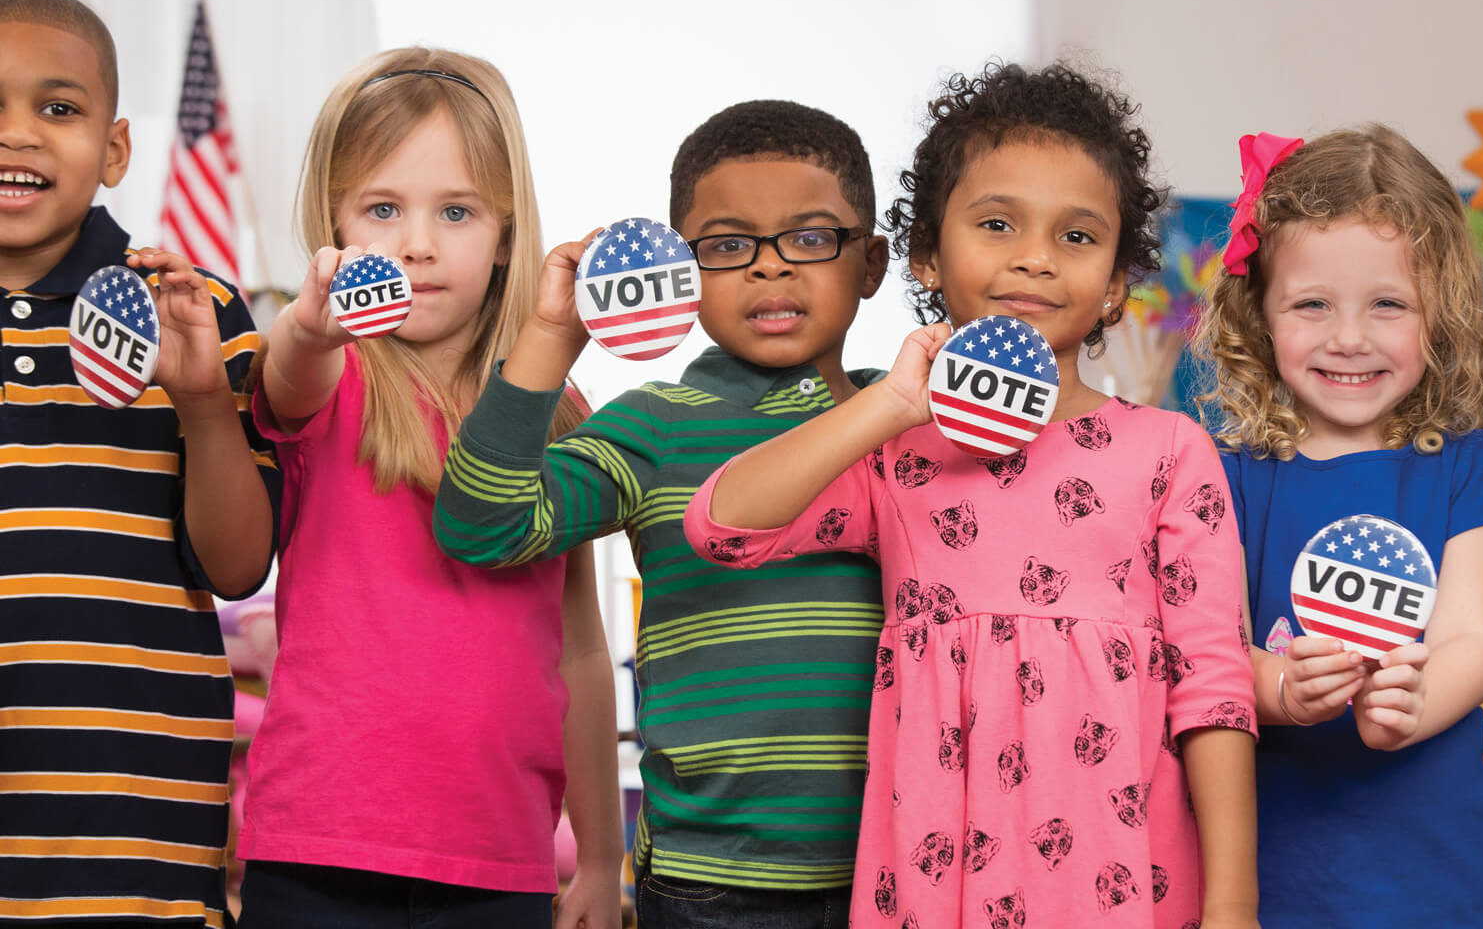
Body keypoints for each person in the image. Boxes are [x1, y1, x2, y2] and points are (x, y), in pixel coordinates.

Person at [684, 62, 1259, 928]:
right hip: (936, 873)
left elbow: (1214, 688)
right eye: (997, 224)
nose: (1033, 255)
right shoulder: (897, 452)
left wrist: (1235, 903)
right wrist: (888, 405)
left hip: (1124, 876)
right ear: (926, 254)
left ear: (1113, 283)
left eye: (1076, 237)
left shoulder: (1169, 452)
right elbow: (723, 524)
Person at [434, 99, 889, 928]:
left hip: (902, 868)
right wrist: (550, 333)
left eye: (811, 238)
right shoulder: (658, 424)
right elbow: (482, 526)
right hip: (710, 881)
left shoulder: (909, 424)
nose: (769, 268)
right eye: (727, 246)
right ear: (682, 269)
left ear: (873, 264)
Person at [238, 49, 620, 928]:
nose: (417, 242)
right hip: (317, 847)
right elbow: (288, 375)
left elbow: (580, 649)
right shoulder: (333, 372)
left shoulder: (560, 408)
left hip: (500, 857)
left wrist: (599, 857)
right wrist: (307, 325)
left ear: (506, 231)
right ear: (333, 226)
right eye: (382, 209)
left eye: (456, 210)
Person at [1196, 125, 1483, 928]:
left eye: (1388, 304)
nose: (1348, 337)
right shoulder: (1223, 473)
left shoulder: (1478, 466)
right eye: (1312, 304)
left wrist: (1413, 709)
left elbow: (1471, 638)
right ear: (1260, 310)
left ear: (1441, 310)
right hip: (1264, 878)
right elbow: (1204, 653)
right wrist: (1280, 687)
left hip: (1429, 884)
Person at [0, 0, 278, 927]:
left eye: (58, 107)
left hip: (136, 847)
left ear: (115, 149)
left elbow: (239, 568)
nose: (18, 133)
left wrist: (200, 400)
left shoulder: (196, 316)